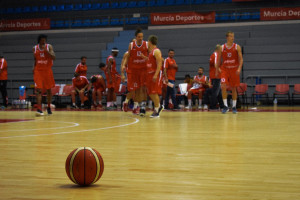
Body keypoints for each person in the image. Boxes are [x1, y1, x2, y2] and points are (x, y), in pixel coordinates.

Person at [216, 31, 243, 114]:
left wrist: (239, 68)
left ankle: (234, 107)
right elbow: (218, 59)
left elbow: (241, 59)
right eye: (231, 36)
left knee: (234, 88)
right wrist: (218, 69)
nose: (233, 38)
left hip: (234, 70)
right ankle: (225, 106)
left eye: (233, 36)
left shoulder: (237, 47)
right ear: (227, 37)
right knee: (223, 87)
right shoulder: (222, 47)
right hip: (225, 69)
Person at [32, 34, 56, 116]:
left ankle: (48, 107)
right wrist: (33, 68)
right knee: (38, 90)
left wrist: (47, 52)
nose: (44, 42)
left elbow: (54, 57)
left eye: (45, 40)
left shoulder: (49, 47)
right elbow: (35, 60)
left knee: (49, 90)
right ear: (39, 41)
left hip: (47, 70)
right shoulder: (34, 48)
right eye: (42, 40)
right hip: (38, 71)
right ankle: (39, 109)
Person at [127, 28, 148, 116]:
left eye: (142, 36)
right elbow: (128, 57)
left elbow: (151, 57)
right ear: (135, 37)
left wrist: (145, 58)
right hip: (134, 71)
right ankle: (137, 106)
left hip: (144, 70)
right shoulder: (131, 45)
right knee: (137, 90)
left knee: (143, 88)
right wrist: (127, 68)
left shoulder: (146, 44)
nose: (140, 38)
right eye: (139, 37)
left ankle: (143, 107)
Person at [145, 35, 164, 118]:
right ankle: (159, 106)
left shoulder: (156, 51)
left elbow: (160, 63)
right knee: (150, 92)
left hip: (155, 74)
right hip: (150, 74)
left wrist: (156, 74)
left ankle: (156, 110)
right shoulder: (151, 52)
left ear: (149, 42)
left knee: (154, 92)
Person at [209, 44, 222, 110]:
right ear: (218, 49)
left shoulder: (212, 55)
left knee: (218, 91)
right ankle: (212, 106)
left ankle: (222, 105)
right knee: (215, 92)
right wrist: (222, 72)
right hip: (216, 76)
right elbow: (216, 65)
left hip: (213, 76)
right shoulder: (216, 55)